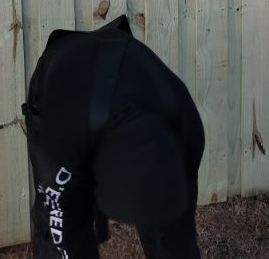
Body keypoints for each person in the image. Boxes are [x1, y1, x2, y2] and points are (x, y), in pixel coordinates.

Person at [23, 14, 204, 258]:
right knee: (60, 234)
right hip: (65, 82)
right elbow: (62, 228)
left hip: (125, 71)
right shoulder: (64, 133)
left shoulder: (186, 129)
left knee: (173, 235)